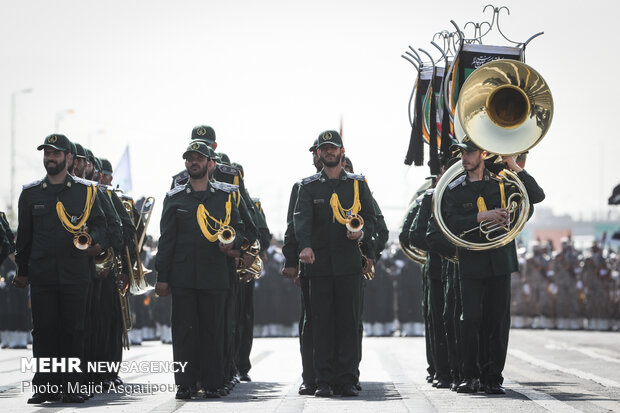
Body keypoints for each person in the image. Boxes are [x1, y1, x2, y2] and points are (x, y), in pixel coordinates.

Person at [442, 137, 545, 394]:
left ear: (483, 154)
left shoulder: (504, 180)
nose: (464, 157)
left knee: (497, 321)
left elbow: (536, 196)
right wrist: (482, 216)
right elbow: (449, 222)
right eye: (462, 153)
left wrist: (514, 164)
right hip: (471, 261)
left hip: (500, 260)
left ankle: (492, 377)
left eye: (469, 153)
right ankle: (470, 375)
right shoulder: (454, 189)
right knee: (471, 319)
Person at [14, 134, 107, 404]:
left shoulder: (87, 191)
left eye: (55, 154)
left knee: (73, 330)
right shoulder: (30, 193)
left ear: (68, 158)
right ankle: (45, 386)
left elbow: (102, 225)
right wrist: (22, 271)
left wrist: (95, 244)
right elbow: (24, 238)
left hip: (76, 273)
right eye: (46, 154)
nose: (50, 158)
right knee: (43, 331)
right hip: (42, 275)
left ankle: (72, 386)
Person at [155, 141, 246, 399]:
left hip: (215, 275)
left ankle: (213, 382)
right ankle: (185, 383)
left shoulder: (226, 195)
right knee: (184, 333)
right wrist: (162, 277)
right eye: (190, 158)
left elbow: (239, 228)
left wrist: (233, 243)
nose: (194, 162)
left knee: (213, 331)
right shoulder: (174, 197)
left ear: (211, 163)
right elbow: (166, 241)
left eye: (199, 158)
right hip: (183, 277)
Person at [293, 130, 376, 397]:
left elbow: (372, 218)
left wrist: (362, 235)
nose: (329, 152)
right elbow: (300, 219)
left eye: (333, 148)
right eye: (324, 149)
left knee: (348, 323)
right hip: (317, 267)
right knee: (321, 324)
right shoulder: (307, 186)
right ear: (318, 153)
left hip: (348, 265)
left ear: (342, 151)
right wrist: (304, 245)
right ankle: (324, 380)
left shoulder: (357, 183)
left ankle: (347, 379)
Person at [282, 138, 322, 395]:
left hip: (342, 267)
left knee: (343, 324)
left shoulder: (351, 183)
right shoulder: (302, 187)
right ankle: (311, 376)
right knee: (311, 324)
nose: (317, 158)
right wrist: (292, 263)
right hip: (311, 267)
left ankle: (341, 374)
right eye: (316, 153)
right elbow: (292, 228)